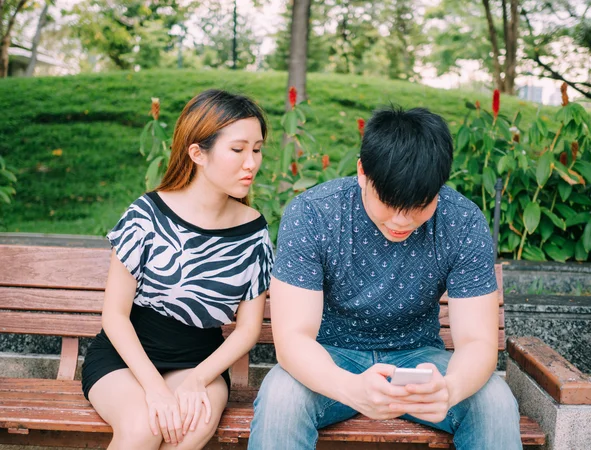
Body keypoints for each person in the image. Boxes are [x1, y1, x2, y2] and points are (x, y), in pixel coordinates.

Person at [248, 106, 522, 450]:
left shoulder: (461, 221)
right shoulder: (314, 214)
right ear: (363, 172)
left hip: (419, 360)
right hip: (332, 358)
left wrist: (450, 388)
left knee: (494, 401)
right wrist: (350, 388)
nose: (401, 220)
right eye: (389, 203)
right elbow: (293, 340)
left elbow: (477, 341)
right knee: (281, 397)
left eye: (419, 205)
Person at [82, 89, 273, 450]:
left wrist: (197, 380)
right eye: (238, 150)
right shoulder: (147, 215)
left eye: (257, 149)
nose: (251, 163)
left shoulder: (253, 231)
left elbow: (247, 329)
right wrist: (155, 389)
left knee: (190, 425)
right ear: (197, 153)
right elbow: (115, 315)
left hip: (199, 362)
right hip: (126, 357)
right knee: (143, 427)